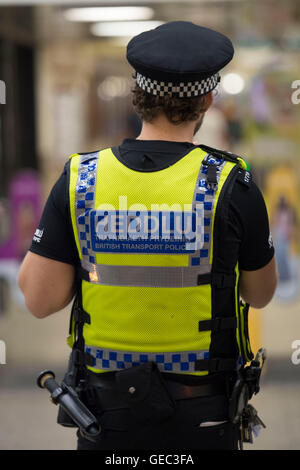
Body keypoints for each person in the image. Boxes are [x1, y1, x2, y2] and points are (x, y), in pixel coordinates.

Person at [18, 21, 277, 451]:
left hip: (105, 412)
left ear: (136, 94)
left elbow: (40, 300)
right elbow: (262, 293)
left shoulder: (82, 179)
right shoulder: (233, 184)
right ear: (208, 99)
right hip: (205, 414)